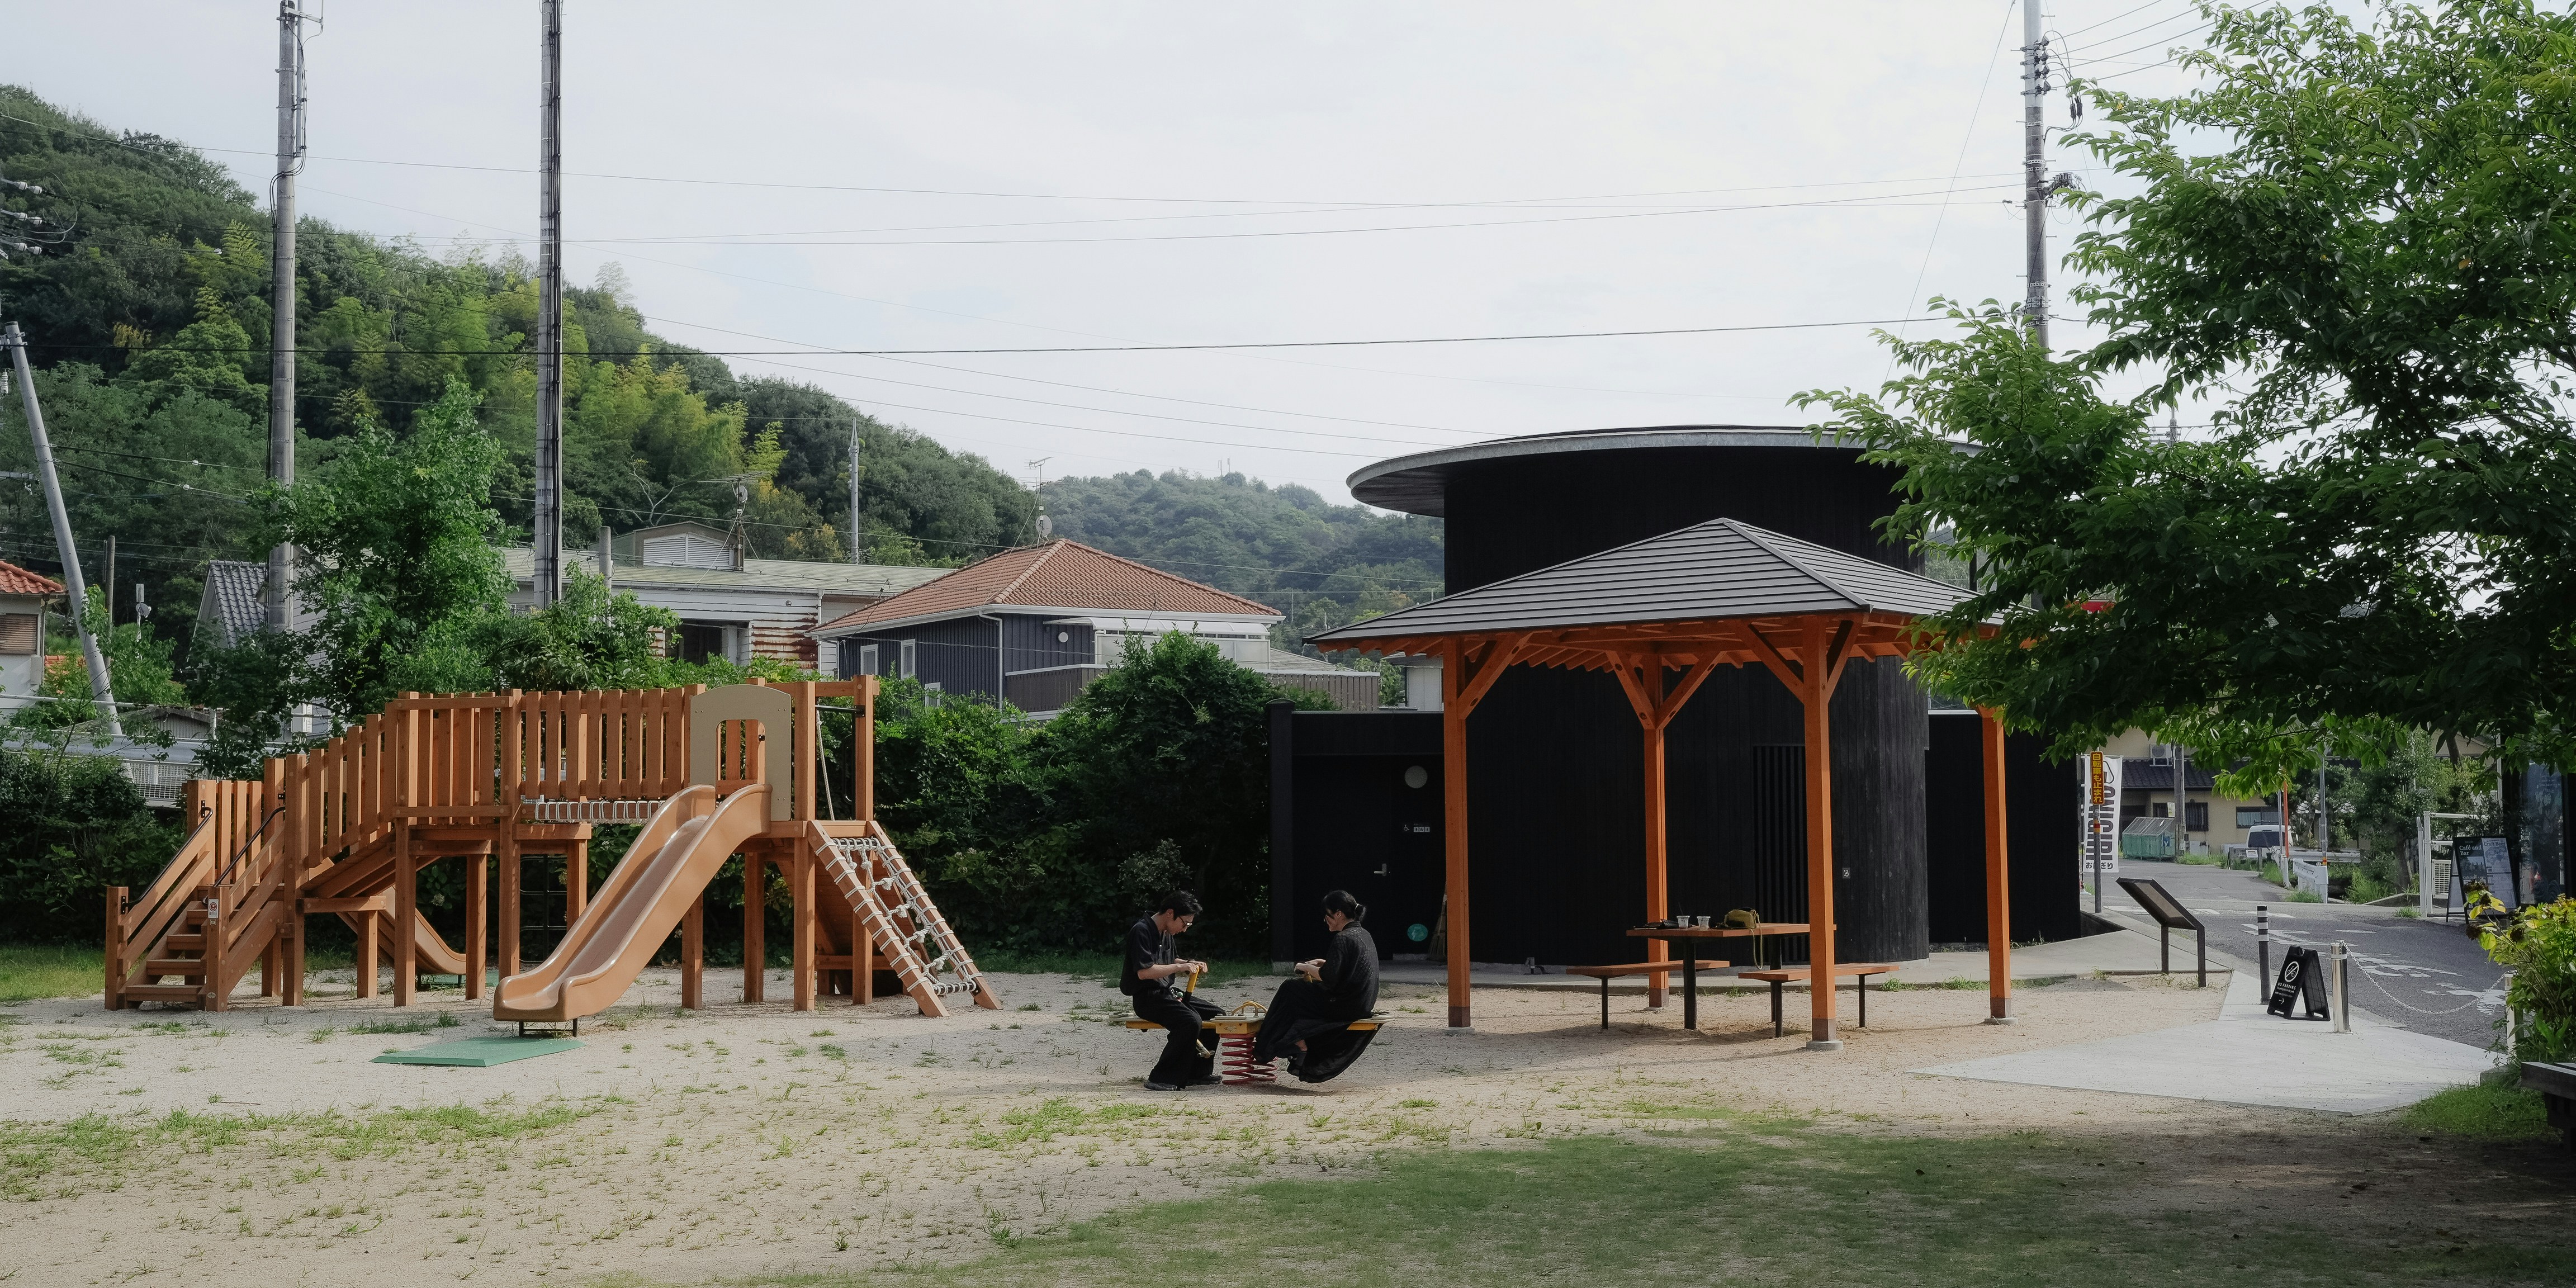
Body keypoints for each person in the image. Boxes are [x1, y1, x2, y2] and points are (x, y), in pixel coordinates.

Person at [1252, 889, 1381, 1083]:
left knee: (1291, 989)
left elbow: (1329, 978)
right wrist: (1323, 963)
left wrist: (1304, 967)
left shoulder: (1343, 938)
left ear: (1338, 914)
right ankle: (1297, 1041)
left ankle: (1270, 1045)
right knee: (1300, 993)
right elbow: (1342, 971)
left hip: (1344, 1005)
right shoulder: (1362, 934)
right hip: (1360, 1003)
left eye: (1328, 914)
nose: (1326, 919)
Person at [1122, 889, 1222, 1091]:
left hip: (1167, 992)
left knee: (1216, 1016)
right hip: (1147, 998)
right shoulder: (1141, 930)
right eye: (1184, 923)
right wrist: (1179, 967)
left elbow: (1169, 961)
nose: (1185, 929)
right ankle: (1162, 1077)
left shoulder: (1167, 932)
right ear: (1170, 913)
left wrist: (1188, 963)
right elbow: (1144, 971)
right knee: (1189, 1022)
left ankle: (1198, 1073)